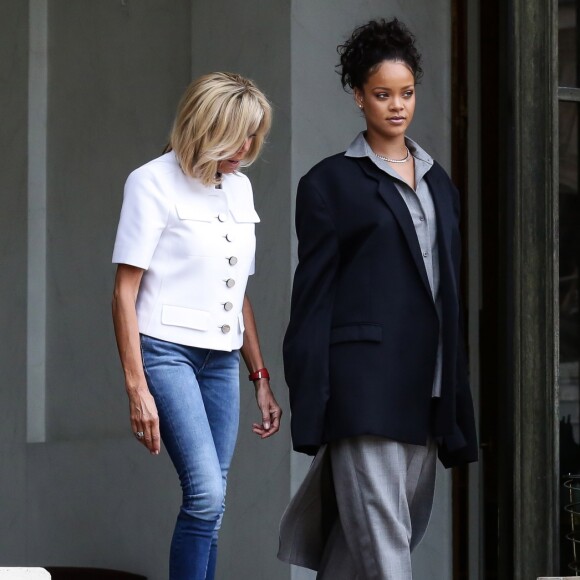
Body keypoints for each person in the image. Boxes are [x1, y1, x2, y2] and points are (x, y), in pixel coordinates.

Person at [279, 19, 477, 579]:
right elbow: (312, 298)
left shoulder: (441, 184)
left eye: (406, 93)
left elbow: (448, 292)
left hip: (426, 384)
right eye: (382, 94)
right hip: (362, 386)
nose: (397, 106)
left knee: (374, 539)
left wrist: (456, 389)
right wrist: (309, 395)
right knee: (386, 543)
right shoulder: (328, 184)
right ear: (358, 96)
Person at [111, 72, 282, 580]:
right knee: (206, 492)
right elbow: (124, 291)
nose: (247, 146)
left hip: (222, 358)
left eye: (254, 134)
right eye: (236, 133)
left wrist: (261, 378)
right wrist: (135, 387)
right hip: (166, 351)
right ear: (204, 126)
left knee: (215, 500)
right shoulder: (151, 181)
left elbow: (238, 295)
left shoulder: (241, 188)